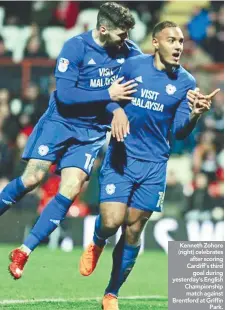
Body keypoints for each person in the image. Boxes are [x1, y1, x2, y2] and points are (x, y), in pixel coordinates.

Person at [79, 21, 220, 310]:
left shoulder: (186, 83)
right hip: (122, 156)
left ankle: (111, 293)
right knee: (111, 221)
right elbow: (107, 97)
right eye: (171, 40)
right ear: (155, 43)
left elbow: (180, 130)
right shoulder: (133, 66)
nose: (178, 46)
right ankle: (97, 240)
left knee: (133, 230)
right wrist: (116, 110)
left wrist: (194, 114)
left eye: (180, 41)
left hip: (154, 165)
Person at [3, 2, 141, 280]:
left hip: (90, 134)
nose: (125, 40)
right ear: (103, 29)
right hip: (60, 123)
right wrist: (109, 95)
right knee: (31, 181)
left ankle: (24, 252)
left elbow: (145, 82)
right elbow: (66, 96)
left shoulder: (130, 54)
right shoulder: (75, 48)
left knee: (71, 186)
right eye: (121, 34)